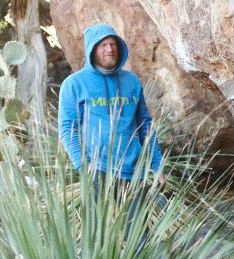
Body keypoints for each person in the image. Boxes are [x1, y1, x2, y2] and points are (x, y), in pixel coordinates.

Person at [58, 24, 163, 185]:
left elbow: (145, 126)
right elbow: (68, 129)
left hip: (135, 172)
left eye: (113, 44)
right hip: (98, 171)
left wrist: (157, 166)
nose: (110, 49)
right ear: (92, 49)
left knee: (139, 211)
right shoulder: (74, 84)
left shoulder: (131, 81)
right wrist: (84, 168)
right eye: (103, 45)